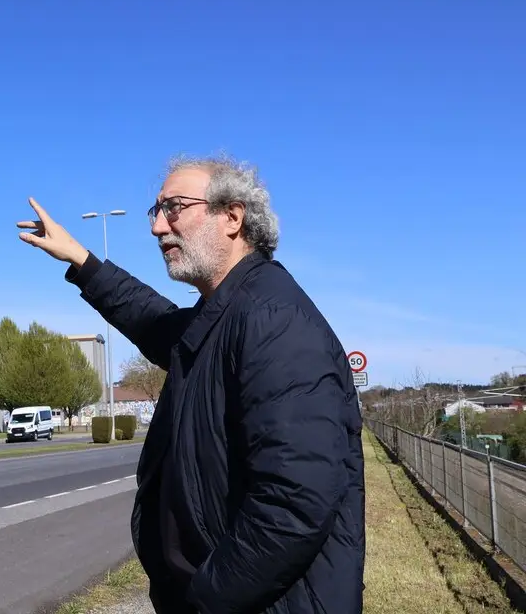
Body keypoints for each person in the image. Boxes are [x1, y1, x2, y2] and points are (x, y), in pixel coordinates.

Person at [18, 155, 365, 614]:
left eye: (174, 208)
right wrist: (82, 261)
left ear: (232, 217)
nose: (157, 227)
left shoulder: (273, 320)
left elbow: (293, 505)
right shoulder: (225, 313)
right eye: (156, 210)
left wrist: (205, 598)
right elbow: (153, 319)